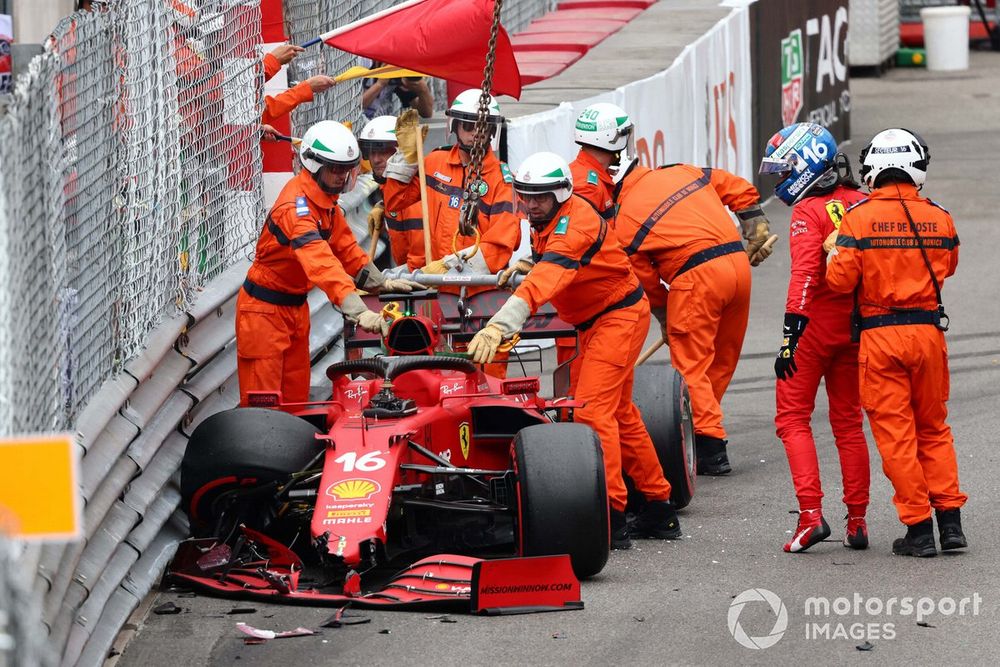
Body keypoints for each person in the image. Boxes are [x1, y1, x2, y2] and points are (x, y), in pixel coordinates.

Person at [467, 152, 682, 549]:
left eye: (540, 198)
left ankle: (611, 514)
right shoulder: (550, 218)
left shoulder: (574, 223)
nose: (531, 205)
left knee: (592, 411)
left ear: (561, 194)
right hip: (602, 320)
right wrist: (528, 263)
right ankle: (658, 506)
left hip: (616, 318)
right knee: (619, 412)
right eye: (525, 196)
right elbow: (551, 261)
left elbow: (552, 273)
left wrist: (500, 323)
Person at [827, 128, 966, 558]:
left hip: (880, 337)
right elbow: (950, 265)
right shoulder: (940, 215)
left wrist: (834, 251)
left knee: (896, 436)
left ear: (872, 169)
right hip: (927, 334)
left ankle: (919, 530)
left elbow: (839, 281)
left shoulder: (858, 218)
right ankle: (951, 524)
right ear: (917, 166)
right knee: (934, 429)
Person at [236, 120, 423, 405]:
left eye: (346, 169)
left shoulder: (325, 203)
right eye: (335, 169)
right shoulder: (296, 209)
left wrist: (379, 282)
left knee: (296, 401)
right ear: (314, 165)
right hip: (264, 315)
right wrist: (359, 312)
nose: (341, 176)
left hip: (294, 310)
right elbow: (322, 264)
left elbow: (346, 249)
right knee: (264, 406)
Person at [614, 156, 776, 476]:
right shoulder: (684, 171)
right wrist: (755, 224)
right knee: (721, 359)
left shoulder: (625, 219)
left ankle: (709, 447)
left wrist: (663, 312)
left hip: (696, 279)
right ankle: (704, 425)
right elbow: (738, 188)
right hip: (738, 269)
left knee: (691, 364)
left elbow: (643, 279)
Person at [759, 122, 870, 553]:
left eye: (785, 170)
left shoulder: (808, 211)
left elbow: (804, 276)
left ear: (805, 164)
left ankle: (810, 517)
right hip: (860, 326)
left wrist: (790, 335)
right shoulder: (865, 200)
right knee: (848, 424)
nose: (781, 179)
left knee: (791, 420)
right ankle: (857, 521)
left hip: (815, 328)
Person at [383, 90, 521, 285]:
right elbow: (395, 201)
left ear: (492, 131)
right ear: (455, 126)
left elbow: (500, 247)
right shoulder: (433, 163)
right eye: (469, 125)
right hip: (436, 284)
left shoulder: (503, 182)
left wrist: (448, 267)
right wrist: (406, 160)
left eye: (483, 126)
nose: (476, 132)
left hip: (480, 289)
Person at [359, 115, 426, 270]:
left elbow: (420, 262)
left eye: (383, 151)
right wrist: (384, 206)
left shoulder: (418, 198)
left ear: (401, 153)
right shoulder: (388, 187)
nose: (375, 160)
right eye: (371, 152)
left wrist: (388, 279)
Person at [361, 62, 434, 120]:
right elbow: (357, 106)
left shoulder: (398, 71)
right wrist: (379, 84)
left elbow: (426, 113)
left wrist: (422, 90)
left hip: (383, 126)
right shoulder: (364, 64)